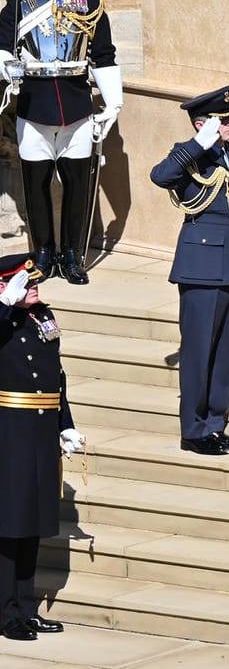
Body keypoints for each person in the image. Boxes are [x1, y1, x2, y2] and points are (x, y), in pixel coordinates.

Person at [0, 0, 123, 285]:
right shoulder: (16, 4)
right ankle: (42, 252)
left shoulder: (88, 3)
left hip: (76, 104)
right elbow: (1, 47)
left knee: (78, 183)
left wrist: (114, 103)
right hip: (34, 107)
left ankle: (72, 253)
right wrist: (9, 68)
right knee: (35, 185)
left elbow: (103, 55)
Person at [149, 87, 229, 457]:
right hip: (201, 267)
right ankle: (193, 430)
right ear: (202, 123)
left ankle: (214, 425)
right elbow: (160, 176)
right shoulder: (191, 155)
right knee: (197, 353)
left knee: (223, 354)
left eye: (228, 120)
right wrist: (197, 143)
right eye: (222, 121)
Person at [0, 253, 83, 641]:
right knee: (8, 527)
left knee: (31, 525)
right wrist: (2, 306)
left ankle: (25, 608)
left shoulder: (41, 317)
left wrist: (65, 425)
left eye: (34, 282)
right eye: (25, 282)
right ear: (4, 285)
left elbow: (56, 376)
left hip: (39, 432)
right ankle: (4, 614)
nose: (35, 286)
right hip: (9, 435)